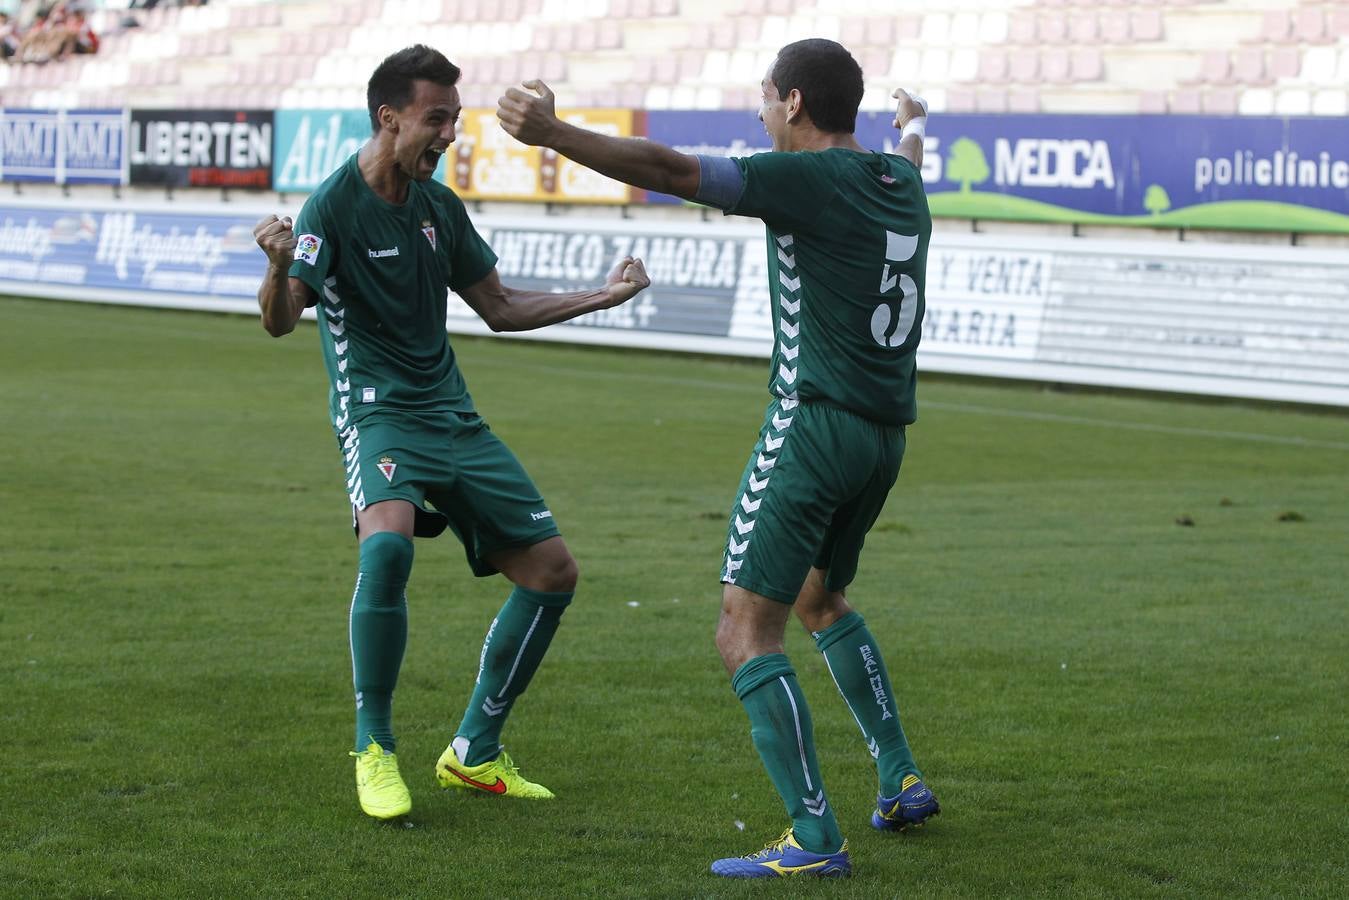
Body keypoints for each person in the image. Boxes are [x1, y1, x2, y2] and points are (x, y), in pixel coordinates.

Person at [498, 38, 938, 878]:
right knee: (821, 596)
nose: (761, 113)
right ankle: (899, 775)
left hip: (813, 426)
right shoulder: (900, 179)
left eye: (766, 99)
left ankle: (814, 840)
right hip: (883, 438)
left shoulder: (801, 178)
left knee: (743, 630)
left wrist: (555, 135)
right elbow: (908, 152)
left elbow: (669, 168)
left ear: (795, 104)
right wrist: (914, 123)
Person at [252, 44, 650, 821]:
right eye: (437, 120)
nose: (449, 136)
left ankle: (474, 751)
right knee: (389, 544)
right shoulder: (332, 204)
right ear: (388, 115)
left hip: (451, 414)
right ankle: (375, 749)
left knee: (552, 573)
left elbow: (499, 308)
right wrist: (273, 267)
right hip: (377, 410)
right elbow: (280, 319)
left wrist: (599, 298)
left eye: (454, 123)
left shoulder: (438, 207)